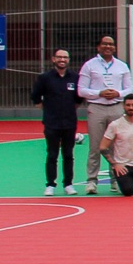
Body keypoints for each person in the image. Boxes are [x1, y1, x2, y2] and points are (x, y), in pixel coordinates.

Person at [77, 35, 130, 193]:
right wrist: (99, 93)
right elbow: (81, 90)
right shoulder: (89, 65)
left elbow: (130, 89)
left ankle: (116, 179)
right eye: (105, 44)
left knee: (117, 146)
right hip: (97, 108)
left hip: (116, 107)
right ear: (98, 47)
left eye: (111, 44)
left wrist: (117, 93)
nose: (108, 46)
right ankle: (92, 181)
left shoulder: (122, 66)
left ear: (114, 47)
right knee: (95, 147)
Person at [31, 47, 81, 195]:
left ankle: (68, 184)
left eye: (65, 57)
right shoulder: (45, 78)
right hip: (51, 123)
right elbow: (35, 96)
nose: (62, 60)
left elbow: (78, 99)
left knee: (68, 155)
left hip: (69, 123)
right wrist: (48, 110)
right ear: (53, 59)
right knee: (52, 155)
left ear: (68, 60)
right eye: (59, 57)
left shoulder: (75, 77)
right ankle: (50, 185)